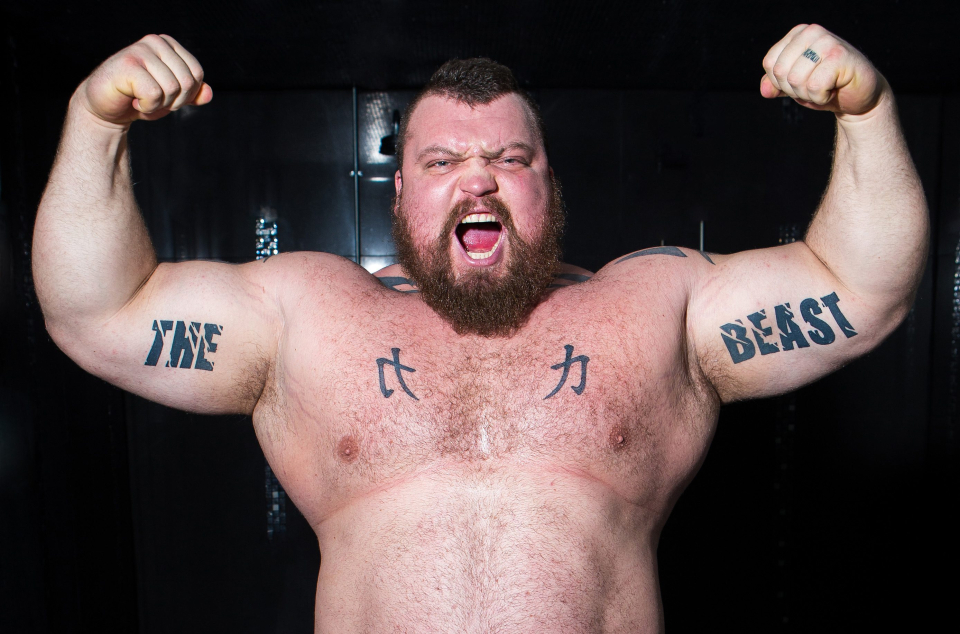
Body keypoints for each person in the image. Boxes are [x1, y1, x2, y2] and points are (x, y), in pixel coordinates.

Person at [32, 24, 927, 632]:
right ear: (402, 194)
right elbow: (98, 311)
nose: (479, 180)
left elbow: (860, 289)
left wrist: (869, 114)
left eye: (509, 158)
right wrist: (93, 121)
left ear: (548, 187)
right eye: (443, 160)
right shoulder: (306, 319)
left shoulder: (658, 309)